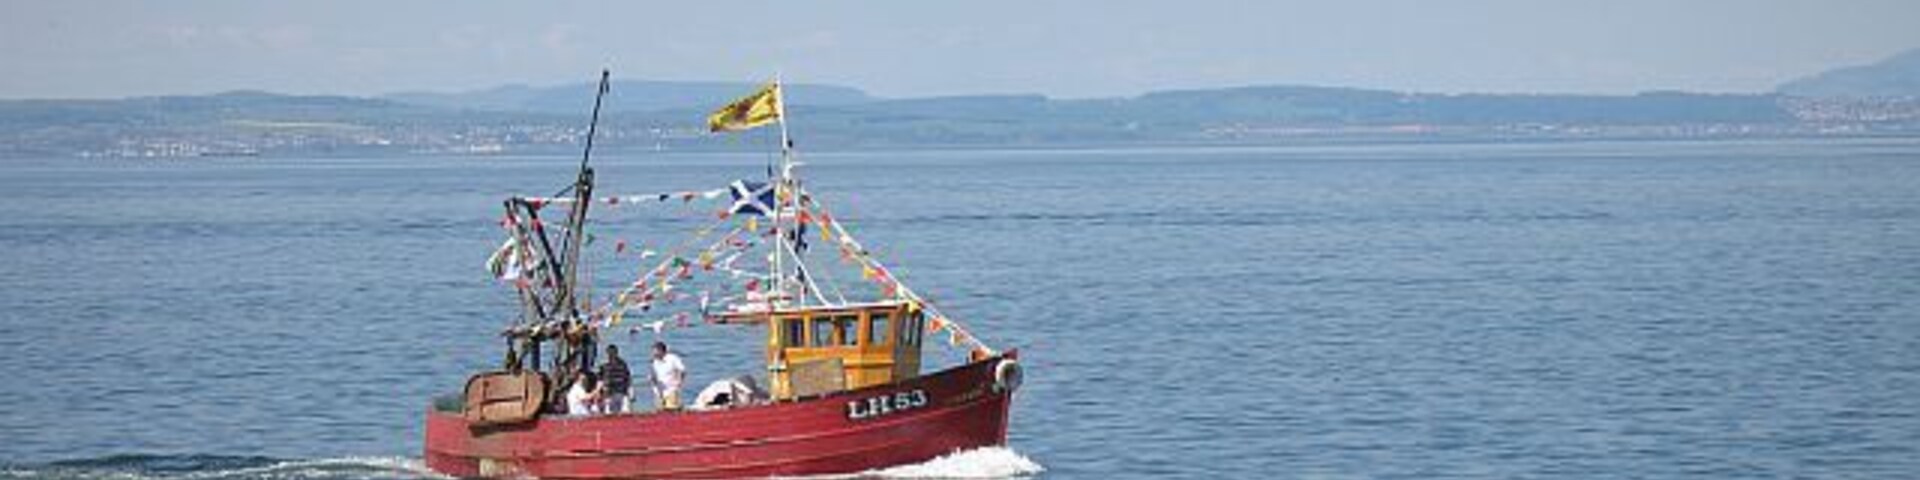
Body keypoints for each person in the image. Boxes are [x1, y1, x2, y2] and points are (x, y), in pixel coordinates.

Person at [650, 341, 687, 411]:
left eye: (655, 351)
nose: (653, 353)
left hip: (672, 388)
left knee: (672, 409)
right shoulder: (655, 361)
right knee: (659, 410)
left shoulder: (672, 358)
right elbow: (655, 374)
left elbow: (682, 370)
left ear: (661, 351)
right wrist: (652, 380)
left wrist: (679, 382)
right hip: (659, 390)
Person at [597, 344, 633, 414]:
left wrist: (599, 392)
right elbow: (628, 379)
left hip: (616, 393)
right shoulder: (621, 365)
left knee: (614, 415)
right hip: (615, 393)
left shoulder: (607, 366)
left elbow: (628, 379)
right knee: (622, 415)